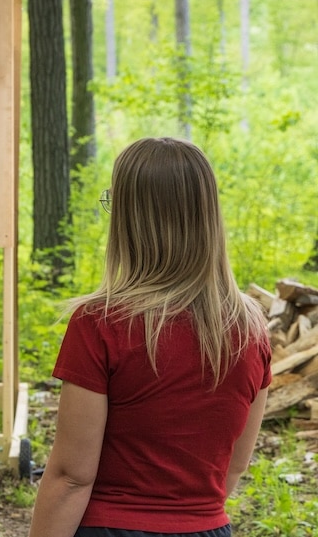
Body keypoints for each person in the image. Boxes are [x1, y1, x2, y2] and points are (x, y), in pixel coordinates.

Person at [28, 137, 271, 537]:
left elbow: (72, 476)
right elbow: (235, 466)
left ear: (129, 219)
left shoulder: (100, 323)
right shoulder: (250, 329)